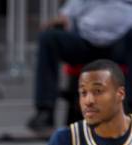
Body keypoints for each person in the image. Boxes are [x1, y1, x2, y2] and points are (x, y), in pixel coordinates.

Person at [27, 0, 132, 134]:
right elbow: (67, 14)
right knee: (48, 38)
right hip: (85, 41)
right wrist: (62, 20)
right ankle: (45, 111)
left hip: (122, 43)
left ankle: (129, 107)